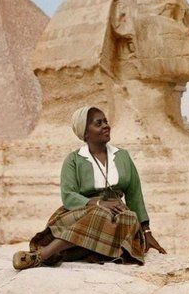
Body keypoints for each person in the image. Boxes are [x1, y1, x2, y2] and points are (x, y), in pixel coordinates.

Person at [13, 106, 166, 270]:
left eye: (105, 121)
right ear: (85, 133)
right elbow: (68, 195)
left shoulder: (122, 156)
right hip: (81, 212)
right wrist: (99, 204)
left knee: (126, 217)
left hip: (119, 217)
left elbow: (135, 195)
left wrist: (147, 232)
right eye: (98, 123)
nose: (105, 126)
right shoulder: (73, 160)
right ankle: (46, 254)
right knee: (99, 214)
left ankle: (43, 255)